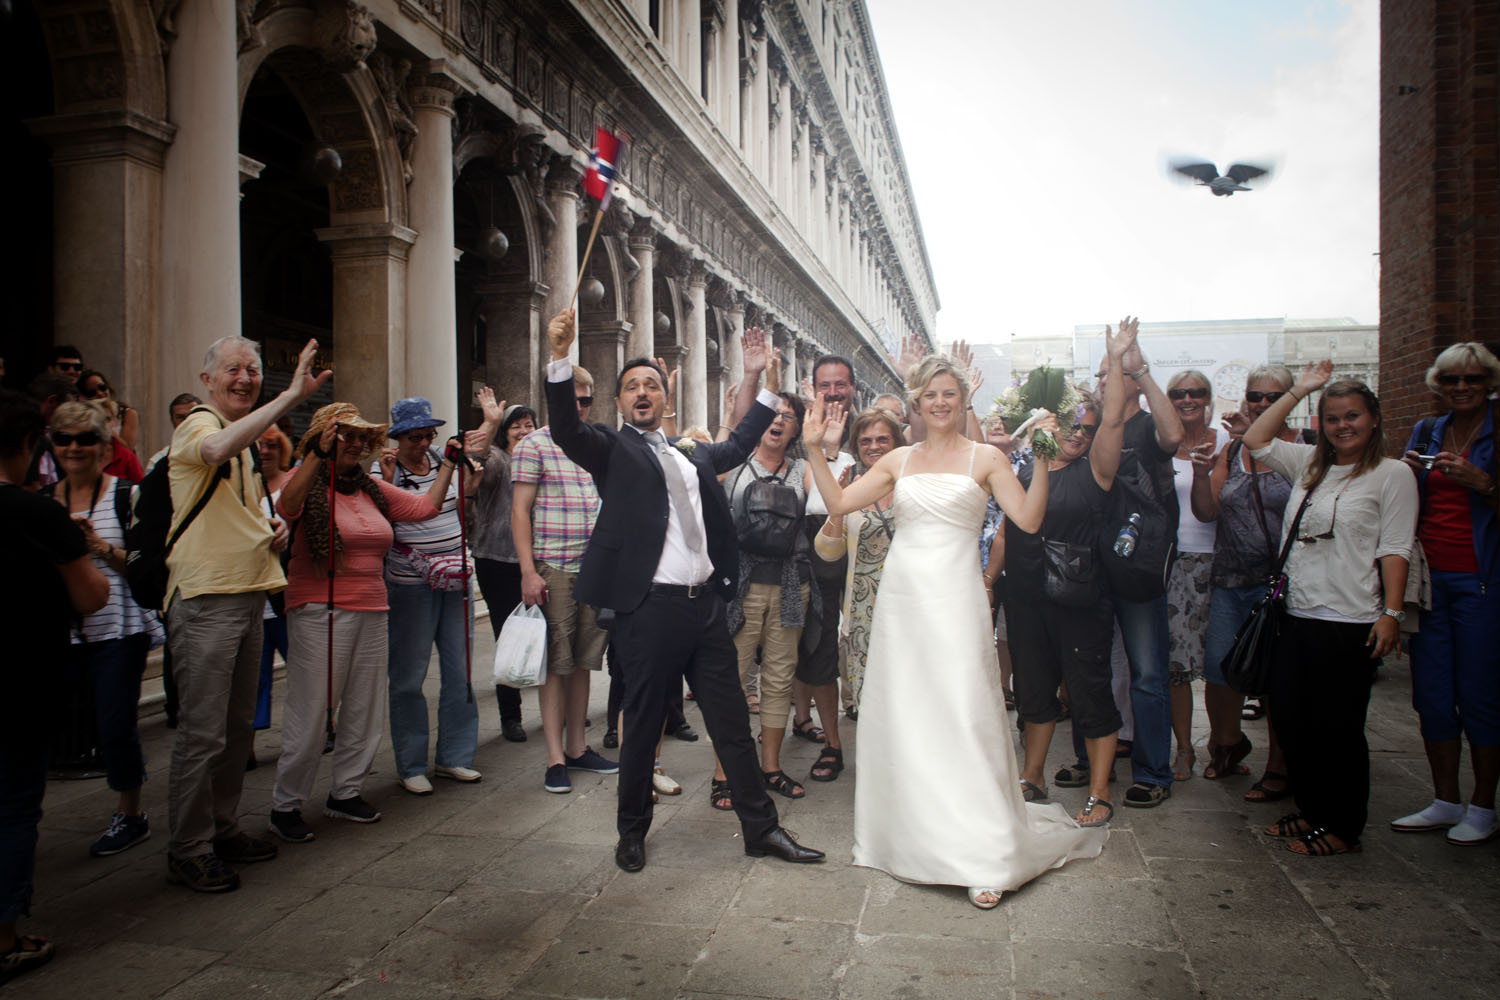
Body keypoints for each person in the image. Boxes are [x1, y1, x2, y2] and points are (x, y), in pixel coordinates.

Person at [803, 345, 1106, 911]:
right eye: (931, 395)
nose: (940, 403)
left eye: (951, 394)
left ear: (964, 399)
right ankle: (909, 836)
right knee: (909, 712)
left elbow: (1029, 519)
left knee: (966, 713)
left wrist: (1040, 456)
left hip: (958, 597)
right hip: (903, 600)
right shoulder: (897, 460)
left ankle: (985, 850)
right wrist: (814, 450)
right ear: (917, 402)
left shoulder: (986, 458)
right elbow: (840, 500)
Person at [541, 309, 824, 873]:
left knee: (730, 727)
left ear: (667, 399)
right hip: (650, 610)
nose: (641, 393)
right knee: (642, 726)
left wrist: (755, 378)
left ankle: (760, 829)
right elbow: (567, 429)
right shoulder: (610, 450)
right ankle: (631, 833)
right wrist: (559, 357)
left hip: (706, 610)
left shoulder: (694, 455)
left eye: (651, 385)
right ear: (620, 403)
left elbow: (743, 439)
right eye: (631, 387)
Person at [162, 336, 328, 893]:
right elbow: (210, 454)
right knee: (203, 733)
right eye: (233, 369)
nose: (244, 377)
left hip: (249, 594)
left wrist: (271, 527)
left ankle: (223, 827)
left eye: (252, 369)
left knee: (236, 731)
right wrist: (288, 398)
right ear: (208, 379)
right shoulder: (199, 426)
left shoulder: (244, 448)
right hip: (206, 599)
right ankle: (188, 846)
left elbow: (236, 509)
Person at [1244, 362, 1418, 857]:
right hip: (1296, 615)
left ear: (1374, 419)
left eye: (1353, 416)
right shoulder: (1309, 465)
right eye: (1334, 418)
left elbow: (1396, 548)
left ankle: (1343, 825)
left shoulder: (1393, 475)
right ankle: (1312, 811)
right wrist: (1301, 389)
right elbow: (1256, 439)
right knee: (1295, 723)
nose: (1344, 426)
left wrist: (1391, 612)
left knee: (1338, 729)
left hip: (1352, 620)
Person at [270, 403, 447, 842]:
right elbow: (286, 506)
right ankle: (286, 803)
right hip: (318, 607)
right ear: (323, 438)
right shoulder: (304, 478)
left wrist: (453, 464)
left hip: (372, 606)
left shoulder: (369, 488)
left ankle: (345, 793)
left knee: (365, 707)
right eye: (343, 435)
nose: (353, 444)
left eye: (358, 437)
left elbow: (425, 507)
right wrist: (317, 455)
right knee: (312, 709)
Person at [0, 389, 108, 986]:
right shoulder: (37, 513)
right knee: (14, 806)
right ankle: (5, 937)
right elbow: (91, 595)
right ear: (27, 446)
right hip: (23, 679)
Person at [1391, 343, 1500, 845]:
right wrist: (1408, 474)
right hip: (1430, 582)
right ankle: (1444, 799)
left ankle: (1482, 805)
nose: (1462, 388)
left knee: (1478, 693)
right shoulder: (1427, 430)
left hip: (1482, 578)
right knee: (1432, 694)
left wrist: (1484, 482)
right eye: (1452, 380)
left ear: (1488, 381)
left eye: (1472, 379)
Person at [47, 402, 162, 856]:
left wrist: (96, 546)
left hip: (119, 628)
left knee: (115, 722)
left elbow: (142, 562)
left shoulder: (125, 496)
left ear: (104, 447)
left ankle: (130, 812)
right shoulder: (42, 501)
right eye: (63, 439)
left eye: (85, 439)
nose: (74, 448)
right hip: (62, 631)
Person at [375, 393, 497, 796]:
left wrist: (472, 488)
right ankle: (411, 764)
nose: (423, 443)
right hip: (410, 584)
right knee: (408, 677)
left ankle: (455, 757)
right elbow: (388, 519)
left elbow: (458, 511)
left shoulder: (449, 464)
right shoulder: (383, 471)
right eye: (414, 437)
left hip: (455, 577)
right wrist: (392, 480)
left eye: (428, 435)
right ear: (398, 438)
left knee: (459, 671)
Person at [1190, 365, 1301, 798]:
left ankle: (1278, 765)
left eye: (1274, 398)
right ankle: (1228, 744)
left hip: (1282, 587)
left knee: (1275, 676)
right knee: (1219, 669)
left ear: (1293, 401)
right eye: (1256, 396)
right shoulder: (1233, 450)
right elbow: (1207, 511)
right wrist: (1201, 474)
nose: (1262, 405)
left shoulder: (1304, 447)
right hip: (1231, 577)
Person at [511, 364, 616, 794]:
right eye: (571, 398)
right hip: (552, 567)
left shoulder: (595, 445)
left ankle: (577, 746)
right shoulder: (534, 445)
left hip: (592, 568)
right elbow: (519, 512)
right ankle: (555, 757)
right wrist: (528, 571)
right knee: (555, 665)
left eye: (585, 399)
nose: (578, 406)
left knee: (584, 661)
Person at [1094, 337, 1184, 809]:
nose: (1100, 380)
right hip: (1090, 565)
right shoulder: (1084, 425)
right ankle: (1097, 764)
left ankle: (1153, 771)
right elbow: (1041, 454)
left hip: (1138, 563)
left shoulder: (1149, 424)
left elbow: (1174, 437)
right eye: (1100, 373)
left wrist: (1142, 369)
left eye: (1110, 373)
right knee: (1090, 668)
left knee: (1148, 673)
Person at [714, 391, 817, 805]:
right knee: (731, 682)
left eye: (789, 417)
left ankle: (770, 766)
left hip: (792, 585)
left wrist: (823, 446)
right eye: (772, 414)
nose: (778, 422)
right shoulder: (733, 467)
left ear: (796, 430)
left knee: (778, 680)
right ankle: (724, 772)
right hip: (741, 585)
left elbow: (830, 501)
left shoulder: (805, 470)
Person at [1163, 369, 1230, 780]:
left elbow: (1213, 508)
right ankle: (1184, 748)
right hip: (1172, 560)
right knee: (1176, 664)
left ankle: (1224, 743)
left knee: (1219, 661)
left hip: (1217, 559)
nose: (1187, 399)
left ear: (1208, 397)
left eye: (1196, 392)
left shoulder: (1224, 439)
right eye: (1178, 393)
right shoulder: (1163, 443)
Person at [815, 407, 904, 719]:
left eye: (882, 439)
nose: (874, 446)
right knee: (871, 699)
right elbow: (828, 552)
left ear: (897, 443)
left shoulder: (915, 487)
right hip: (863, 613)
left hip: (911, 607)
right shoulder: (851, 492)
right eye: (865, 441)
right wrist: (838, 507)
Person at [790, 355, 857, 745]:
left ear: (853, 389)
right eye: (824, 386)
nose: (833, 393)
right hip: (816, 553)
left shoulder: (869, 431)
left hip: (862, 552)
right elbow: (815, 502)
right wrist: (824, 450)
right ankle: (804, 719)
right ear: (812, 388)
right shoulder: (802, 433)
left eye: (840, 385)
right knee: (812, 641)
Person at [472, 403, 537, 744]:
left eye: (528, 425)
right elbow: (475, 461)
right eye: (516, 426)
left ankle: (556, 704)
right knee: (507, 637)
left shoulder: (541, 461)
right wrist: (490, 421)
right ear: (505, 432)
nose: (523, 431)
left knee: (543, 634)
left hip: (535, 561)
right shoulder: (498, 459)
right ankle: (510, 717)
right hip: (496, 560)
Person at [249, 424, 295, 769]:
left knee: (303, 664)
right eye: (258, 445)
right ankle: (246, 742)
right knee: (254, 672)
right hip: (253, 591)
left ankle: (326, 724)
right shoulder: (240, 485)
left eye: (270, 445)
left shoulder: (294, 482)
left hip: (288, 591)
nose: (264, 451)